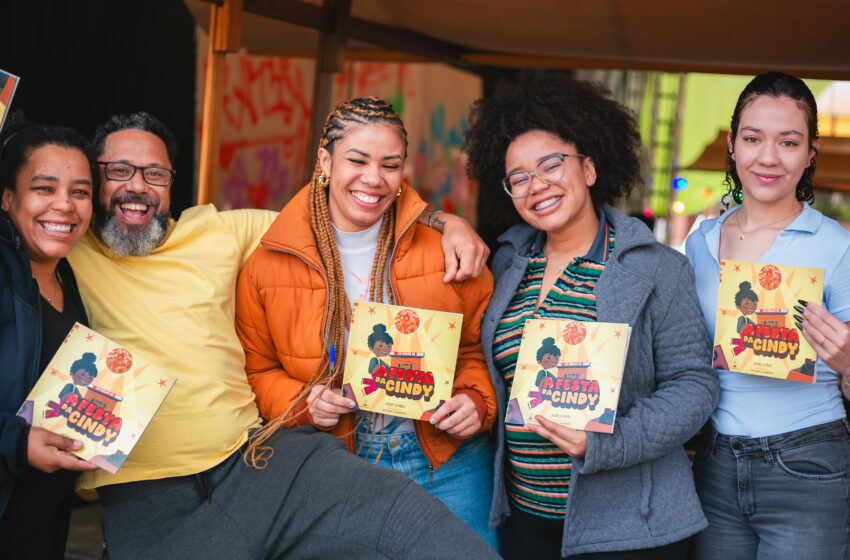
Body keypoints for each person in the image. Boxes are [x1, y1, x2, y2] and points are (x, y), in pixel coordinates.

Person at [66, 111, 499, 559]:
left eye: (154, 173)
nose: (138, 186)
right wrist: (302, 402)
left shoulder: (222, 232)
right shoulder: (66, 251)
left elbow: (345, 212)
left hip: (261, 459)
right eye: (119, 171)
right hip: (146, 484)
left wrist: (446, 221)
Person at [464, 72, 720, 559]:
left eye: (550, 165)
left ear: (589, 169)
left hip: (631, 528)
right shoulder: (504, 264)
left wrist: (608, 442)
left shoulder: (659, 269)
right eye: (518, 177)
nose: (536, 185)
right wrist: (445, 220)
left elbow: (695, 387)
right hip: (524, 519)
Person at [235, 96, 499, 549]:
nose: (374, 179)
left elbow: (477, 348)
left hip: (445, 459)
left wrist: (476, 401)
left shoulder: (448, 249)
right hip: (336, 463)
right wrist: (305, 403)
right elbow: (257, 371)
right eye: (357, 160)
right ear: (325, 160)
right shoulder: (268, 262)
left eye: (390, 165)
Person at [685, 71, 850, 559]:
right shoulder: (699, 243)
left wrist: (847, 361)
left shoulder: (837, 247)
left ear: (810, 152)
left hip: (808, 464)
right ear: (733, 144)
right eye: (754, 138)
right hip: (713, 462)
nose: (769, 157)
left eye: (789, 142)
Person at [0, 118, 99, 558]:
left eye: (80, 192)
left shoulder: (74, 282)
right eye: (44, 188)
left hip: (43, 525)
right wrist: (16, 442)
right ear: (7, 198)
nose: (65, 205)